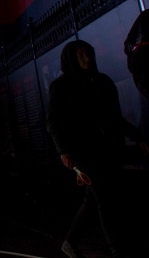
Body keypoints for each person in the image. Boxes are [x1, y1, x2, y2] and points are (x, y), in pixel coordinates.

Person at [47, 40, 149, 258]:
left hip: (108, 149)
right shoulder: (62, 87)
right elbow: (53, 122)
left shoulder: (102, 82)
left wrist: (136, 135)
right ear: (71, 59)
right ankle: (119, 249)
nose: (86, 58)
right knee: (105, 199)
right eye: (80, 55)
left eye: (88, 54)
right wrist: (64, 149)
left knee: (95, 198)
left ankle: (71, 241)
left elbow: (113, 117)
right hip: (83, 152)